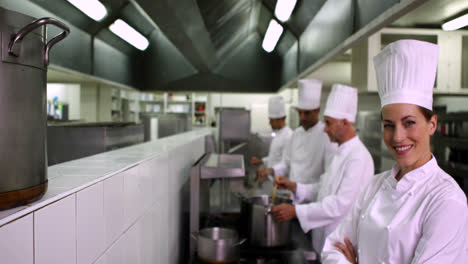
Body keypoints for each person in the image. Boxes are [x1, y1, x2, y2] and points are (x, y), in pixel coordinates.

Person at [321, 40, 468, 263]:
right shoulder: (375, 186)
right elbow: (331, 249)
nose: (397, 136)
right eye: (389, 125)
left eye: (409, 122)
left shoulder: (446, 199)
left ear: (432, 124)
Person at [271, 84, 375, 256]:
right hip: (323, 240)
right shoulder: (339, 153)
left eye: (328, 123)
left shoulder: (359, 158)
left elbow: (338, 206)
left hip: (340, 247)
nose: (325, 129)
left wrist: (295, 211)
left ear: (344, 123)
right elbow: (322, 189)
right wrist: (294, 186)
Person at [257, 79, 337, 185]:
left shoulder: (327, 136)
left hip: (314, 199)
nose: (302, 117)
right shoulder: (296, 134)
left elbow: (329, 177)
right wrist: (271, 171)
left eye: (307, 113)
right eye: (300, 113)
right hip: (293, 196)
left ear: (317, 110)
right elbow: (286, 163)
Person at [251, 96, 293, 169]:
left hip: (280, 179)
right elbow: (274, 158)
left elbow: (286, 163)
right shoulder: (278, 134)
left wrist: (270, 171)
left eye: (271, 120)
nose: (269, 123)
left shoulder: (289, 136)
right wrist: (261, 161)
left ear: (280, 119)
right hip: (272, 178)